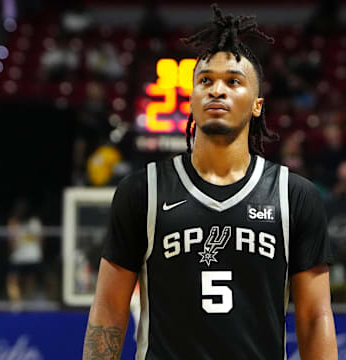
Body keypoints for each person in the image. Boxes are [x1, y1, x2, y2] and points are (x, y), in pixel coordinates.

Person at [82, 4, 337, 359]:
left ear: (258, 104)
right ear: (191, 100)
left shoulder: (294, 196)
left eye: (233, 81)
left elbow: (314, 317)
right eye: (205, 81)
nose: (217, 90)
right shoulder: (143, 191)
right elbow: (109, 309)